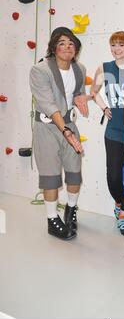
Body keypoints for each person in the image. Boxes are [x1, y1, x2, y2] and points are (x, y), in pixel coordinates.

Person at [29, 27, 89, 240]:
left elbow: (76, 92)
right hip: (48, 128)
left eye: (71, 43)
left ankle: (71, 210)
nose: (67, 47)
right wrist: (64, 130)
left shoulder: (79, 68)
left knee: (74, 172)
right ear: (53, 47)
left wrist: (81, 97)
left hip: (69, 126)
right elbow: (48, 103)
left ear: (76, 48)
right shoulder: (40, 70)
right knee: (51, 176)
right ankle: (52, 219)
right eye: (62, 43)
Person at [91, 31, 124, 235]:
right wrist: (103, 107)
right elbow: (94, 91)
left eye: (121, 45)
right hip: (113, 131)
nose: (116, 49)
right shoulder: (104, 68)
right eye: (113, 45)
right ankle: (120, 204)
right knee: (113, 176)